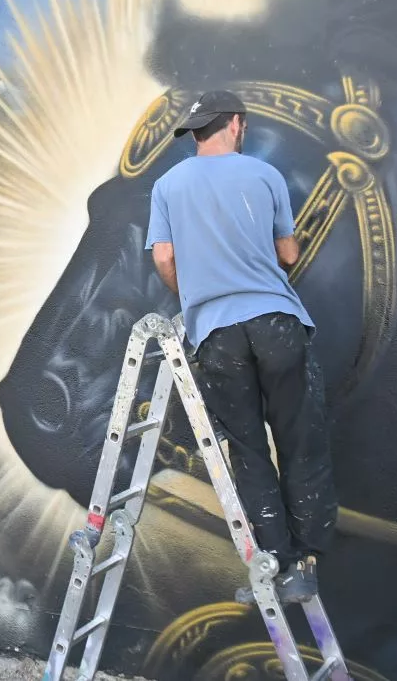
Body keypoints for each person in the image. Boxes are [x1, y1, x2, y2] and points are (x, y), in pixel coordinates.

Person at [144, 89, 337, 604]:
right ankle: (308, 564)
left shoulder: (167, 185)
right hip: (275, 321)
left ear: (197, 132)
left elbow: (164, 258)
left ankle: (277, 563)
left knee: (249, 451)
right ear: (237, 124)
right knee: (299, 439)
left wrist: (198, 291)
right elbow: (287, 252)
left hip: (217, 333)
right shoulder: (264, 176)